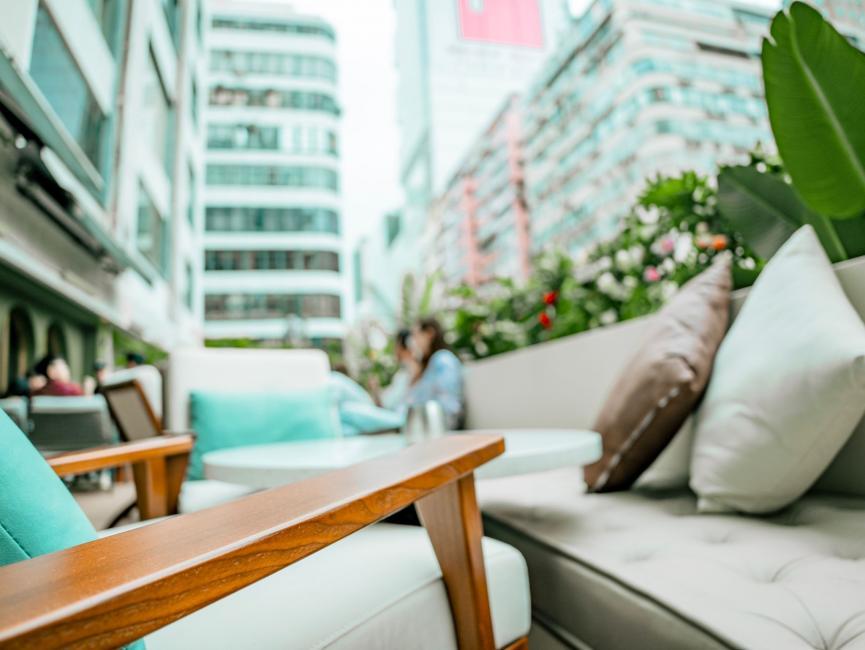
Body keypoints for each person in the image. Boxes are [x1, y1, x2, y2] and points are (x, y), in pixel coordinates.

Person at [405, 317, 465, 430]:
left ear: (429, 333)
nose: (414, 342)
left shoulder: (442, 359)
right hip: (424, 424)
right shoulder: (429, 365)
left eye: (416, 335)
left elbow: (450, 405)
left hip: (439, 425)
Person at [379, 329, 418, 411]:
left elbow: (386, 403)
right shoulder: (404, 371)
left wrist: (375, 391)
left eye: (396, 345)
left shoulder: (410, 371)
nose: (394, 350)